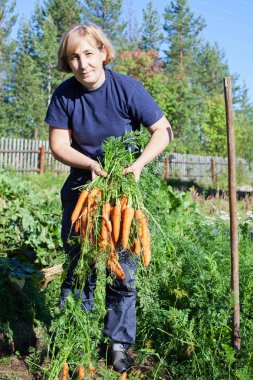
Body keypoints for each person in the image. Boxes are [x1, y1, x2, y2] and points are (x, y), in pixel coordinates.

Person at [45, 23, 173, 373]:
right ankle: (77, 336)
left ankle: (118, 344)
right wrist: (89, 164)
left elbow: (162, 131)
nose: (83, 63)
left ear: (103, 52)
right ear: (67, 62)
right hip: (82, 191)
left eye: (89, 53)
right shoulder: (64, 95)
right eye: (74, 57)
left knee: (123, 271)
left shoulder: (127, 88)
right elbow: (59, 145)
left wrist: (140, 164)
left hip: (123, 195)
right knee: (79, 265)